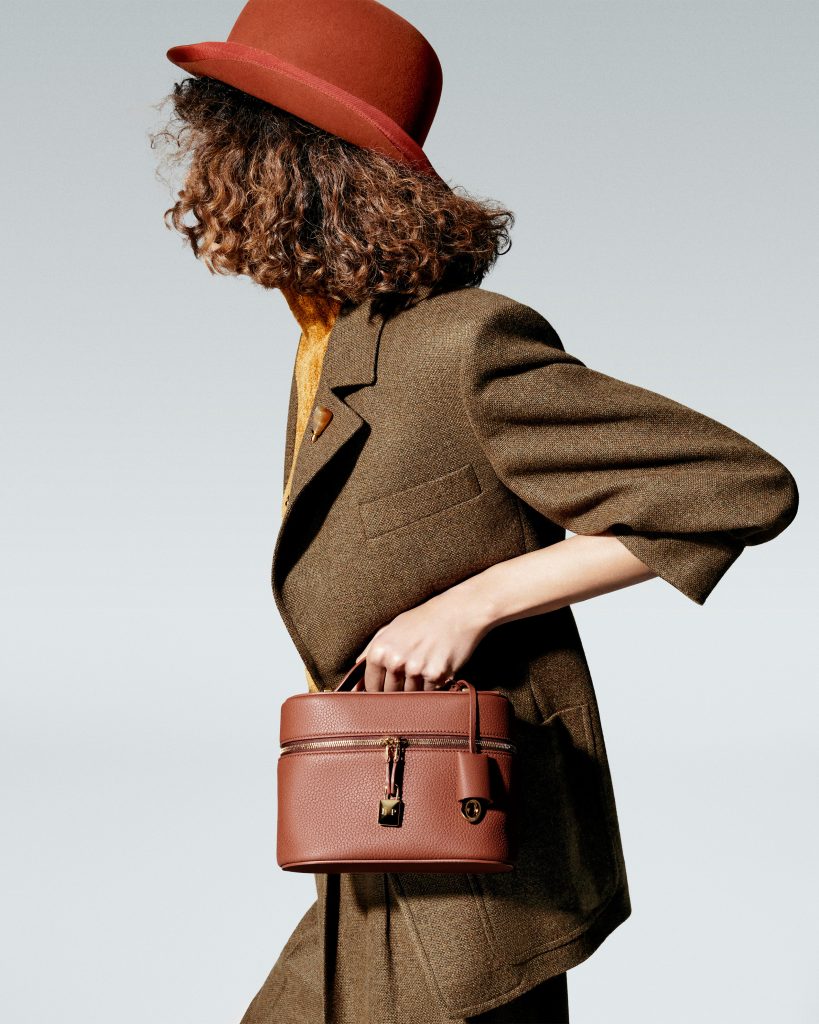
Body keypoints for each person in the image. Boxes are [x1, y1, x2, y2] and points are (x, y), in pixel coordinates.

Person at [151, 2, 800, 1022]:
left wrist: (472, 603)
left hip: (472, 868)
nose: (199, 178)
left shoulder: (461, 348)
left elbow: (738, 487)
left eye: (220, 144)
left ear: (287, 166)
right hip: (376, 836)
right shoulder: (333, 348)